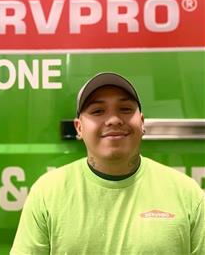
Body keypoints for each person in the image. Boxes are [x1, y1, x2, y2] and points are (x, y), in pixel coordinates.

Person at [10, 72, 205, 255]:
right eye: (98, 111)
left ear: (142, 123)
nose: (113, 119)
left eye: (125, 109)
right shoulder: (47, 193)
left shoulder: (187, 193)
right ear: (79, 128)